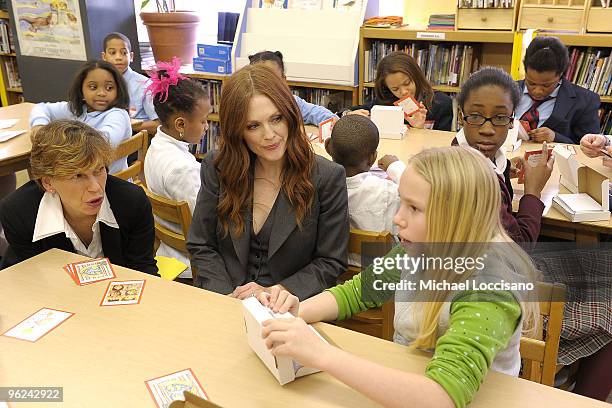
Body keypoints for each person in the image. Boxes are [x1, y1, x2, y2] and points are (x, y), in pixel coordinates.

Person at [258, 146, 540, 408]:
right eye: (401, 203)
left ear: (455, 217)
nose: (397, 218)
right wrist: (295, 314)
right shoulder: (417, 248)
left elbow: (442, 397)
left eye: (413, 208)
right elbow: (357, 292)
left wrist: (321, 354)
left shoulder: (489, 291)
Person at [186, 64, 349, 300]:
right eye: (253, 126)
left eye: (276, 118)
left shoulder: (327, 177)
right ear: (237, 131)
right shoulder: (217, 166)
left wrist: (277, 292)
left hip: (291, 309)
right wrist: (225, 297)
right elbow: (201, 245)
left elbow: (330, 262)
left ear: (290, 116)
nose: (270, 135)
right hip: (226, 300)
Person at [0, 120, 157, 274]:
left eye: (99, 170)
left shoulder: (132, 201)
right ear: (48, 182)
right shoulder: (18, 213)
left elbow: (143, 269)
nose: (95, 187)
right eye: (77, 176)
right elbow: (30, 279)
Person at [454, 67, 553, 242]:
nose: (487, 130)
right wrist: (533, 191)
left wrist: (504, 169)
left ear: (512, 120)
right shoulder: (479, 183)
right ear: (461, 116)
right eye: (475, 116)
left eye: (500, 118)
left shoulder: (458, 148)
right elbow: (520, 247)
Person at [144, 57, 211, 280]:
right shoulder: (182, 169)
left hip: (168, 250)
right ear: (180, 124)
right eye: (203, 121)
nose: (207, 127)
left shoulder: (156, 146)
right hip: (189, 262)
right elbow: (206, 224)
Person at [29, 60, 132, 174]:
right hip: (79, 176)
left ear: (118, 90)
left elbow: (103, 141)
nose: (101, 93)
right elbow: (42, 108)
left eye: (109, 88)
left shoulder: (118, 115)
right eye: (93, 87)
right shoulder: (77, 109)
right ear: (81, 90)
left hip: (106, 182)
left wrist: (64, 141)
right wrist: (39, 125)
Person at [324, 114, 402, 235]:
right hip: (381, 253)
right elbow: (425, 192)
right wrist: (395, 166)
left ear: (328, 147)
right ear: (373, 158)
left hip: (335, 252)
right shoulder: (386, 192)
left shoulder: (319, 185)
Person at [516, 36, 600, 144]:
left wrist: (555, 137)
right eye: (531, 83)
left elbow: (590, 148)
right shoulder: (506, 90)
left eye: (546, 85)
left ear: (560, 75)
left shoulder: (586, 101)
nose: (537, 91)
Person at [346, 51, 453, 131]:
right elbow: (346, 112)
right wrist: (349, 115)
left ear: (416, 77)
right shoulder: (385, 103)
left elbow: (443, 146)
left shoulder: (441, 103)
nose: (403, 92)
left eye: (407, 83)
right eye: (395, 89)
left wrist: (419, 129)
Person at [248, 50, 338, 126]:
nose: (268, 87)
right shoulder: (244, 105)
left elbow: (314, 112)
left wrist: (334, 121)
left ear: (284, 81)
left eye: (273, 80)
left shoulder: (289, 101)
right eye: (260, 81)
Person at [101, 32, 160, 136]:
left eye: (124, 53)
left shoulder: (145, 84)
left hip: (136, 136)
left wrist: (128, 125)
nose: (118, 57)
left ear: (131, 56)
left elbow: (158, 124)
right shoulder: (99, 83)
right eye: (113, 53)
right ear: (104, 56)